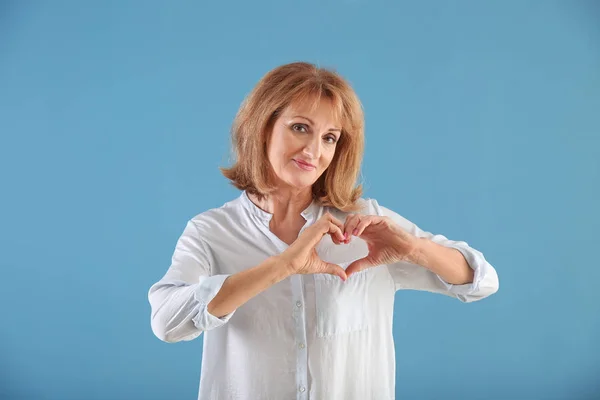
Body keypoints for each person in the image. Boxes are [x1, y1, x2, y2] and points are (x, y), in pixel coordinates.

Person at [147, 61, 499, 400]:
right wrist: (283, 265)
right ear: (262, 126)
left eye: (330, 137)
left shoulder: (366, 225)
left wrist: (414, 248)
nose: (314, 151)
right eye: (300, 127)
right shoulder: (211, 231)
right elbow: (167, 322)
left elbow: (482, 282)